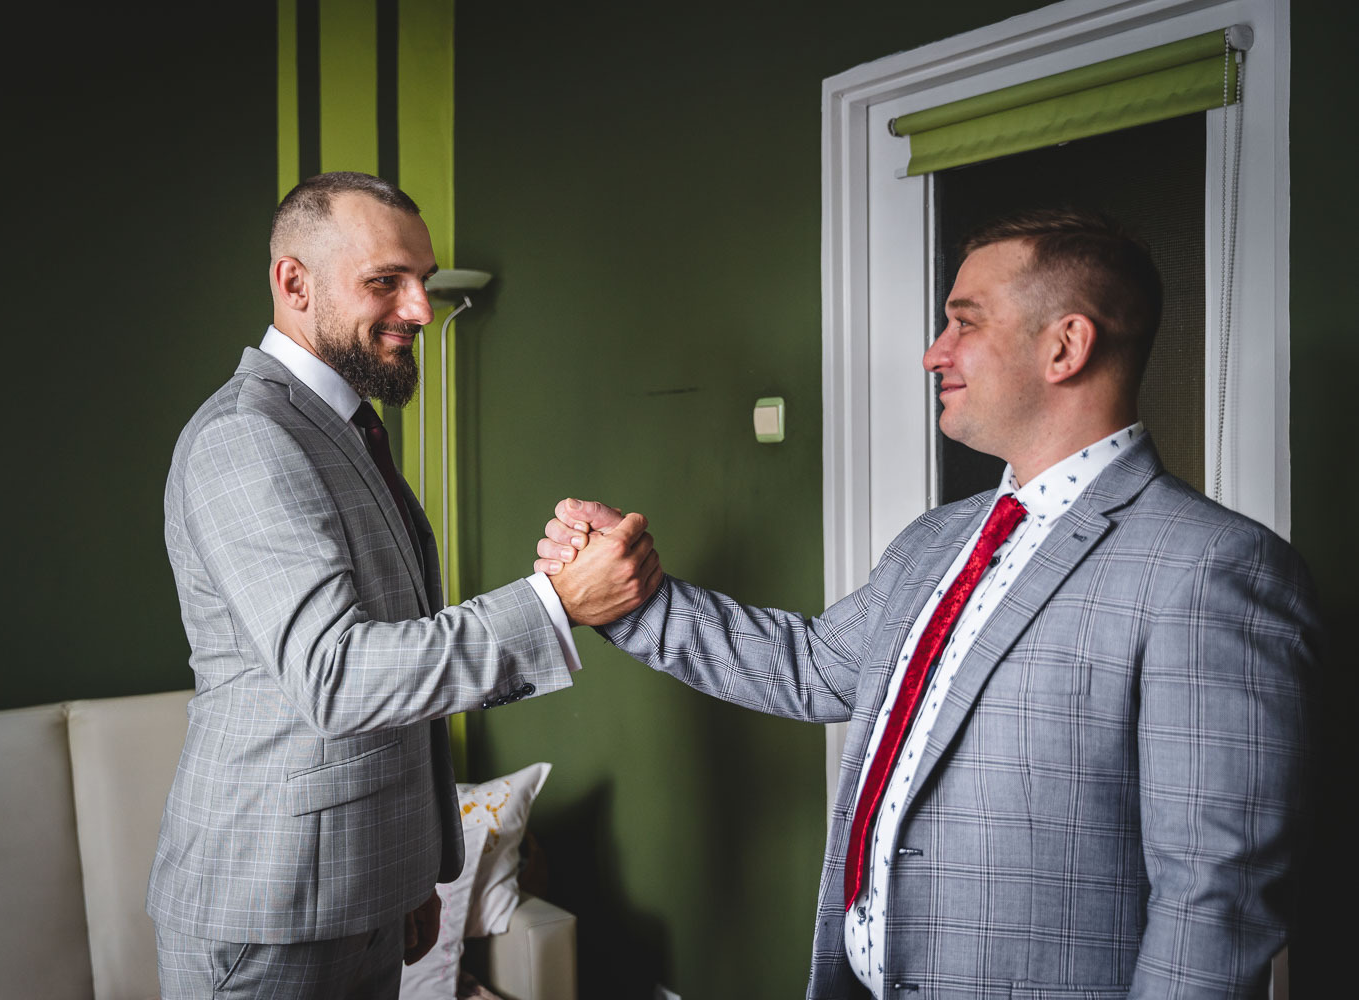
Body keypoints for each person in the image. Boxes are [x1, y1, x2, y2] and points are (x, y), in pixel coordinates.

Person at [537, 209, 1320, 999]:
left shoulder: (1215, 568)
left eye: (964, 322)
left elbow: (1214, 905)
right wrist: (631, 595)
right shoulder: (938, 539)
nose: (934, 352)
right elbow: (811, 666)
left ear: (1065, 347)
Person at [147, 171, 659, 1000]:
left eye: (421, 279)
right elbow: (338, 675)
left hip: (363, 888)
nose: (420, 308)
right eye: (386, 281)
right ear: (294, 283)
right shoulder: (247, 436)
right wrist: (554, 605)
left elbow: (393, 665)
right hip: (271, 910)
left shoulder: (344, 427)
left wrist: (410, 872)